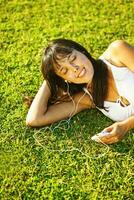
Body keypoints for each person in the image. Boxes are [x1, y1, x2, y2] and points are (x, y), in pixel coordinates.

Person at [26, 39, 134, 144]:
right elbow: (35, 119)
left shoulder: (117, 53)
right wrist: (50, 80)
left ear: (82, 52)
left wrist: (126, 125)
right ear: (65, 79)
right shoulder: (86, 98)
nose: (75, 68)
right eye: (64, 71)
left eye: (73, 59)